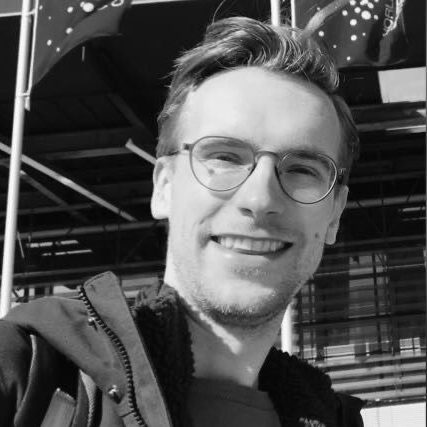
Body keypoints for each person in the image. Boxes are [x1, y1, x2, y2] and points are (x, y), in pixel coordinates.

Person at [0, 16, 364, 427]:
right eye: (224, 156)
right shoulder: (27, 371)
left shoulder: (337, 419)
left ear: (334, 213)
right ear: (164, 187)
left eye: (302, 169)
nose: (260, 199)